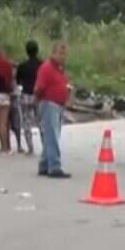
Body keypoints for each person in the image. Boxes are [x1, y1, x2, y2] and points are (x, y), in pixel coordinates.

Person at [35, 41, 71, 178]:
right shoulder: (46, 68)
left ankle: (44, 164)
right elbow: (39, 87)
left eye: (64, 53)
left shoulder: (60, 69)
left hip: (58, 104)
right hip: (49, 104)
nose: (62, 56)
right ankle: (54, 166)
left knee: (52, 135)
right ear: (53, 53)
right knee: (52, 136)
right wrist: (38, 99)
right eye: (60, 53)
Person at [15, 40, 43, 155]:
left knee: (26, 122)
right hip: (39, 96)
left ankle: (30, 148)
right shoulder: (43, 65)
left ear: (26, 52)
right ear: (37, 50)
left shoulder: (22, 66)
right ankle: (45, 146)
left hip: (26, 95)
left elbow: (17, 81)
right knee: (41, 122)